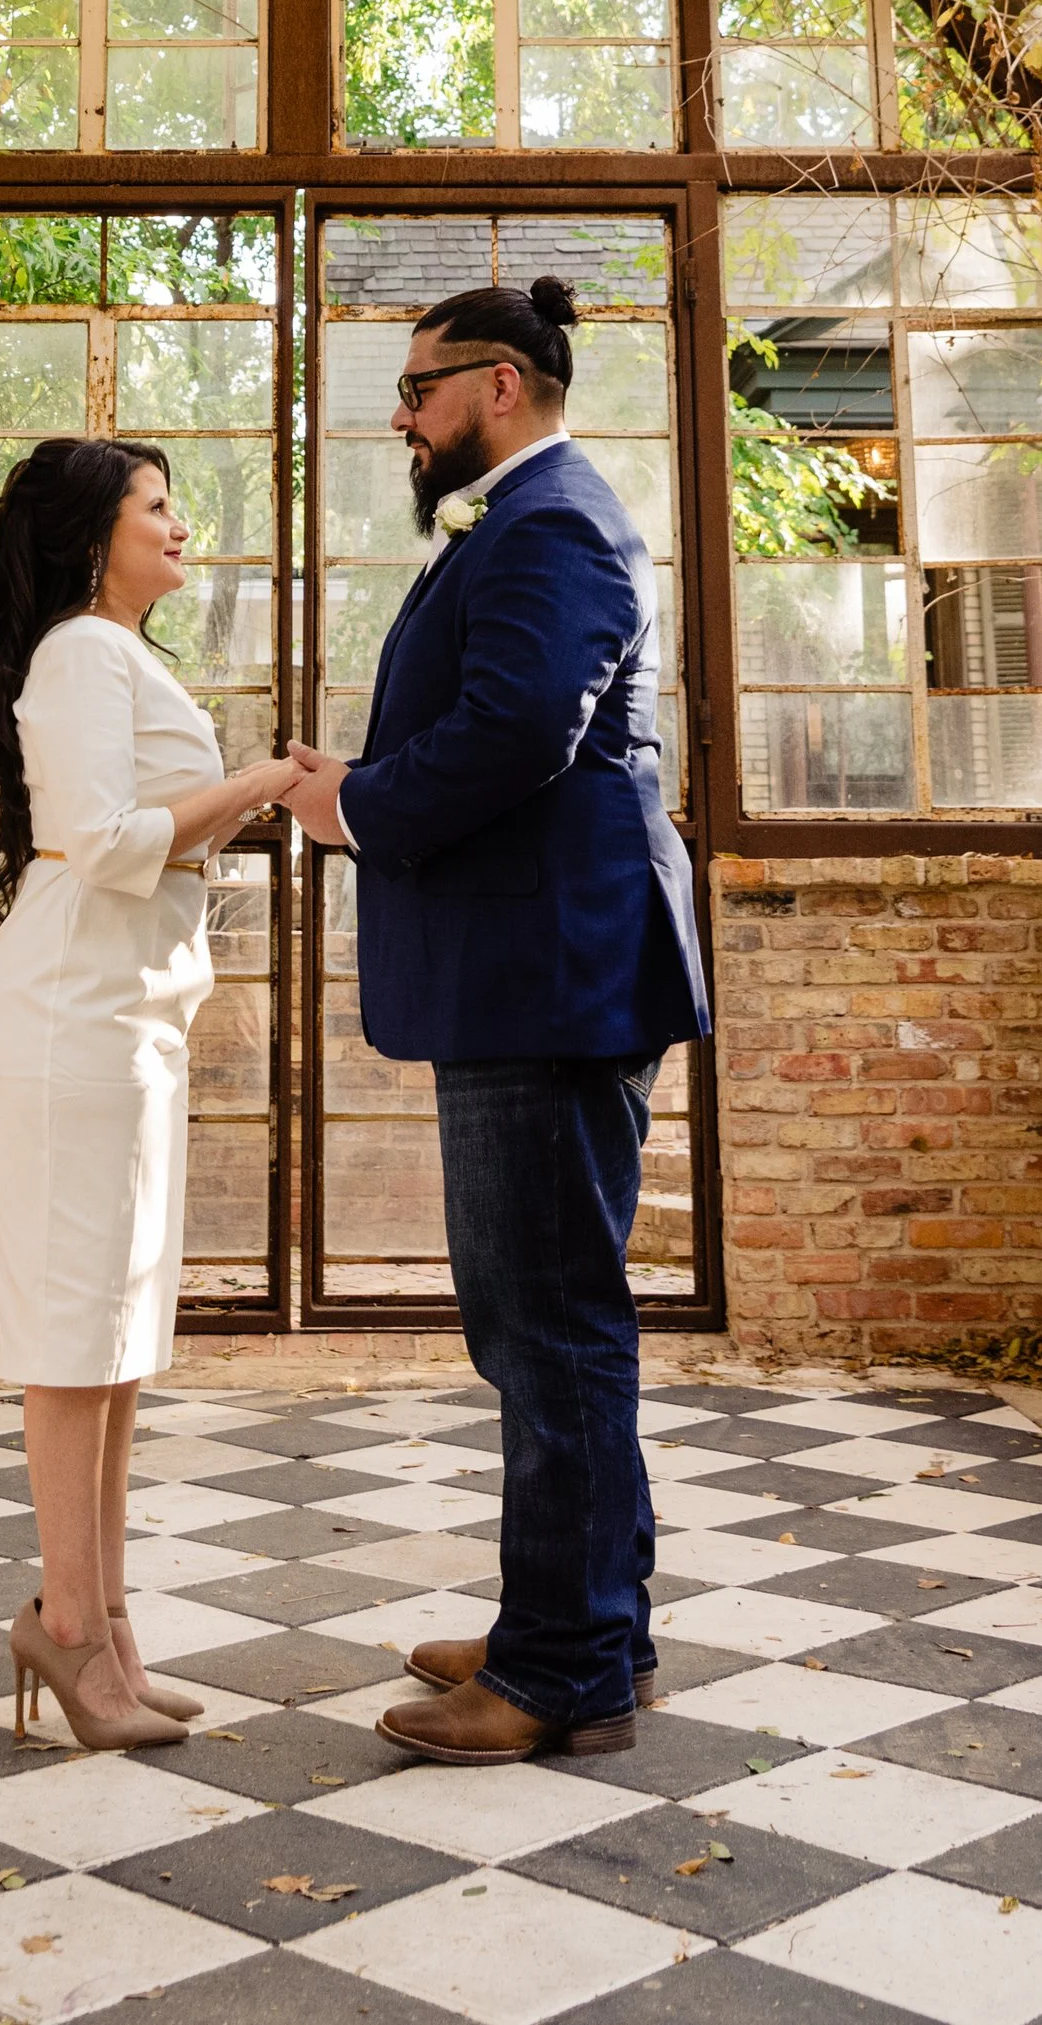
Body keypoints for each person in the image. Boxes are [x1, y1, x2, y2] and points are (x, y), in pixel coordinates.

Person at [279, 275, 711, 1761]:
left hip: (553, 976)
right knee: (545, 1319)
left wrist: (353, 810)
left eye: (420, 390)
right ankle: (592, 1617)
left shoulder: (557, 521)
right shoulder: (527, 516)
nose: (402, 417)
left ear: (501, 388)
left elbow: (523, 730)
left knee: (548, 1326)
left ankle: (566, 1670)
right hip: (539, 970)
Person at [0, 433, 294, 1753]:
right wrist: (266, 783)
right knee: (71, 1331)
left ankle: (99, 1619)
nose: (180, 525)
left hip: (130, 1013)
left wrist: (246, 800)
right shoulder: (80, 655)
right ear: (96, 532)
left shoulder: (121, 655)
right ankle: (72, 1631)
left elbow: (141, 838)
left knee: (119, 1329)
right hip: (75, 1016)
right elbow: (101, 844)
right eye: (156, 507)